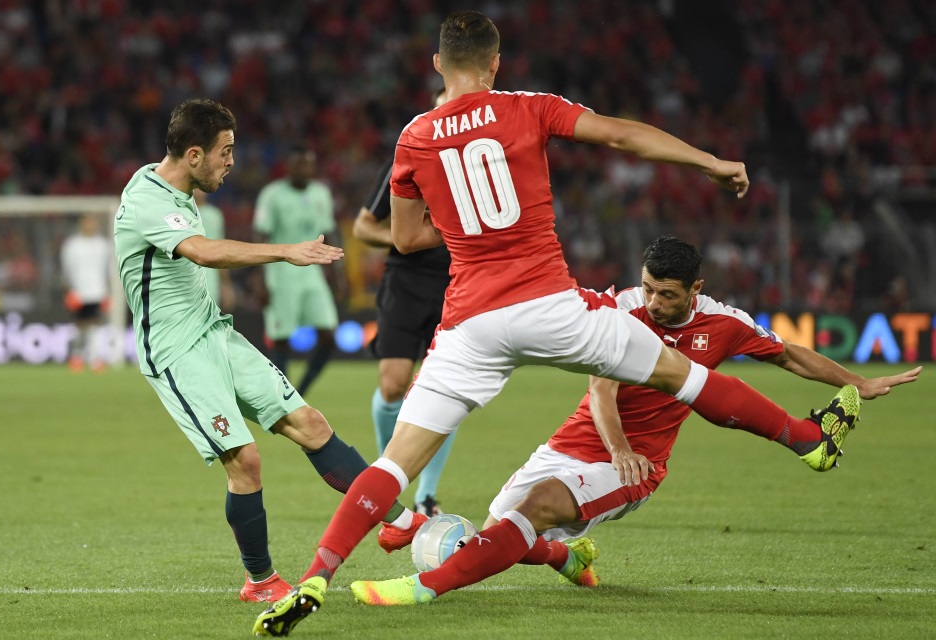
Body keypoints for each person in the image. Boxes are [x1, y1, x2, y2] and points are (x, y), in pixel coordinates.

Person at [254, 13, 859, 635]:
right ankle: (804, 440)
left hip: (471, 322)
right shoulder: (529, 107)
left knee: (394, 464)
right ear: (495, 63)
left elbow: (406, 239)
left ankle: (314, 578)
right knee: (684, 375)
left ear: (438, 65)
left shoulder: (415, 135)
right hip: (551, 305)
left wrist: (466, 228)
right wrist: (707, 162)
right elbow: (620, 136)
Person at [350, 235, 922, 605]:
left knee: (535, 509)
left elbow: (791, 354)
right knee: (508, 532)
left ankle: (422, 590)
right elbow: (600, 388)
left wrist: (859, 382)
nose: (652, 302)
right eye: (647, 287)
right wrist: (614, 441)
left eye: (667, 295)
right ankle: (568, 556)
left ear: (696, 290)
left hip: (634, 468)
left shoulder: (724, 324)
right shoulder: (622, 309)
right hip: (572, 445)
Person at [113, 98, 419, 605]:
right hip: (175, 352)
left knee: (313, 425)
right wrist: (285, 251)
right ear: (193, 154)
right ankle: (260, 581)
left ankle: (401, 523)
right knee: (247, 461)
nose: (232, 161)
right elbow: (202, 252)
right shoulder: (148, 198)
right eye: (224, 151)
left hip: (214, 332)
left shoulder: (179, 186)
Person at [352, 89, 454, 518]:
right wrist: (404, 238)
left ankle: (425, 494)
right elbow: (362, 228)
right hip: (406, 282)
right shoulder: (404, 162)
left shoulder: (479, 167)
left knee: (445, 391)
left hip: (457, 285)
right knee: (394, 384)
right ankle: (389, 469)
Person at [251, 145, 343, 397]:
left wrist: (337, 277)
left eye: (308, 164)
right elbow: (259, 235)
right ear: (288, 167)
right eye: (298, 164)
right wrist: (259, 279)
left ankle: (299, 392)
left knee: (329, 336)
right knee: (281, 338)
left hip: (312, 274)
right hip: (281, 274)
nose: (304, 169)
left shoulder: (321, 193)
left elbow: (329, 233)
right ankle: (285, 396)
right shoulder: (272, 195)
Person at [60, 214, 112, 372]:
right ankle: (76, 356)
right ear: (81, 224)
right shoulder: (72, 245)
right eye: (87, 223)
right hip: (78, 292)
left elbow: (108, 270)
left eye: (92, 223)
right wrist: (69, 290)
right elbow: (66, 269)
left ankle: (95, 358)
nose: (90, 226)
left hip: (98, 291)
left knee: (95, 324)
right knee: (80, 326)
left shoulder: (103, 245)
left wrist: (108, 292)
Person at [194, 189, 236, 311]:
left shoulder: (215, 215)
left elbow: (220, 251)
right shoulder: (179, 212)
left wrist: (226, 286)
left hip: (210, 279)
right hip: (185, 279)